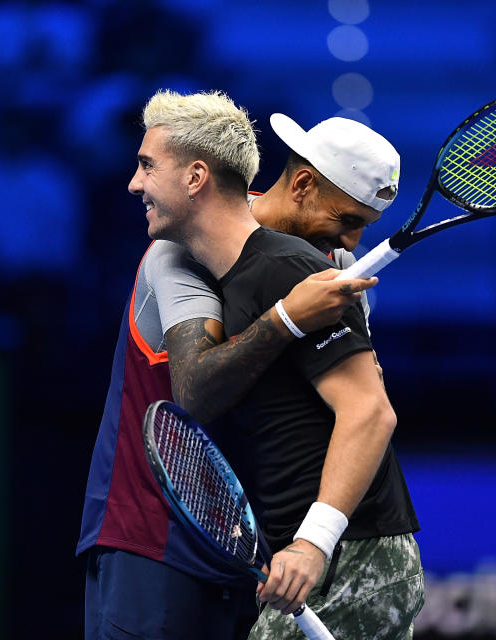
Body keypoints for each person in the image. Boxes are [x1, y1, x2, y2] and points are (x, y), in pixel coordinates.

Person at [76, 90, 380, 640]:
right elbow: (196, 391)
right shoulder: (179, 250)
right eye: (347, 219)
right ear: (304, 186)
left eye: (147, 166)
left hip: (249, 552)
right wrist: (289, 315)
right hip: (153, 541)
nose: (133, 183)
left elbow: (357, 400)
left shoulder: (308, 261)